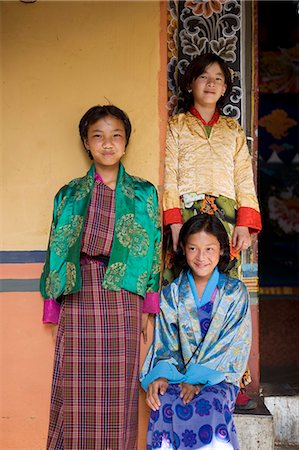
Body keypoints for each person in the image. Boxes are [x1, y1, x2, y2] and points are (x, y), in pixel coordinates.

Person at [40, 105, 161, 450]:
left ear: (126, 143)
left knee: (119, 393)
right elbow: (56, 248)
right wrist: (52, 305)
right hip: (80, 295)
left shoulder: (143, 192)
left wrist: (148, 307)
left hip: (123, 297)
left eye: (116, 136)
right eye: (98, 136)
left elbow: (153, 247)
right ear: (86, 143)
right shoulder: (69, 194)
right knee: (74, 385)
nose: (107, 143)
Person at [162, 52, 261, 407]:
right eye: (203, 77)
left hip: (226, 219)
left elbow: (243, 180)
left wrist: (246, 224)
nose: (210, 83)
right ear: (191, 84)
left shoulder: (232, 130)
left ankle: (231, 378)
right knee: (184, 292)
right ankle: (184, 372)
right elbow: (169, 176)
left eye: (218, 78)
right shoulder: (176, 125)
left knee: (227, 295)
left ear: (225, 88)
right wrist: (174, 223)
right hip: (187, 216)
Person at [140, 213, 251, 450]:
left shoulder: (235, 293)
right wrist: (161, 375)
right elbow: (166, 345)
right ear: (183, 248)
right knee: (165, 401)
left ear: (222, 250)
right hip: (178, 376)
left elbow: (232, 348)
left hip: (219, 379)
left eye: (209, 249)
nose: (201, 257)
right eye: (193, 248)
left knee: (208, 403)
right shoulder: (172, 294)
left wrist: (199, 381)